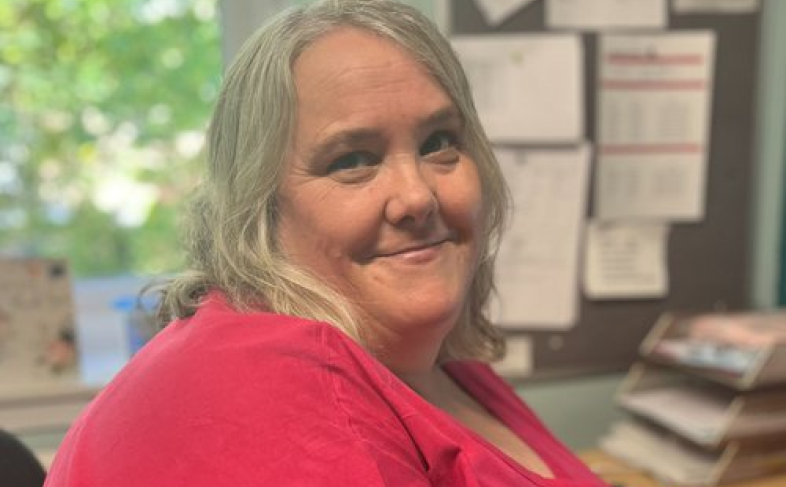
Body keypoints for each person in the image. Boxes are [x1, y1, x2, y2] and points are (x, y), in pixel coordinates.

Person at [45, 1, 610, 485]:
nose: (416, 196)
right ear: (259, 202)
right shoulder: (273, 388)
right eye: (353, 160)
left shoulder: (438, 367)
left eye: (440, 142)